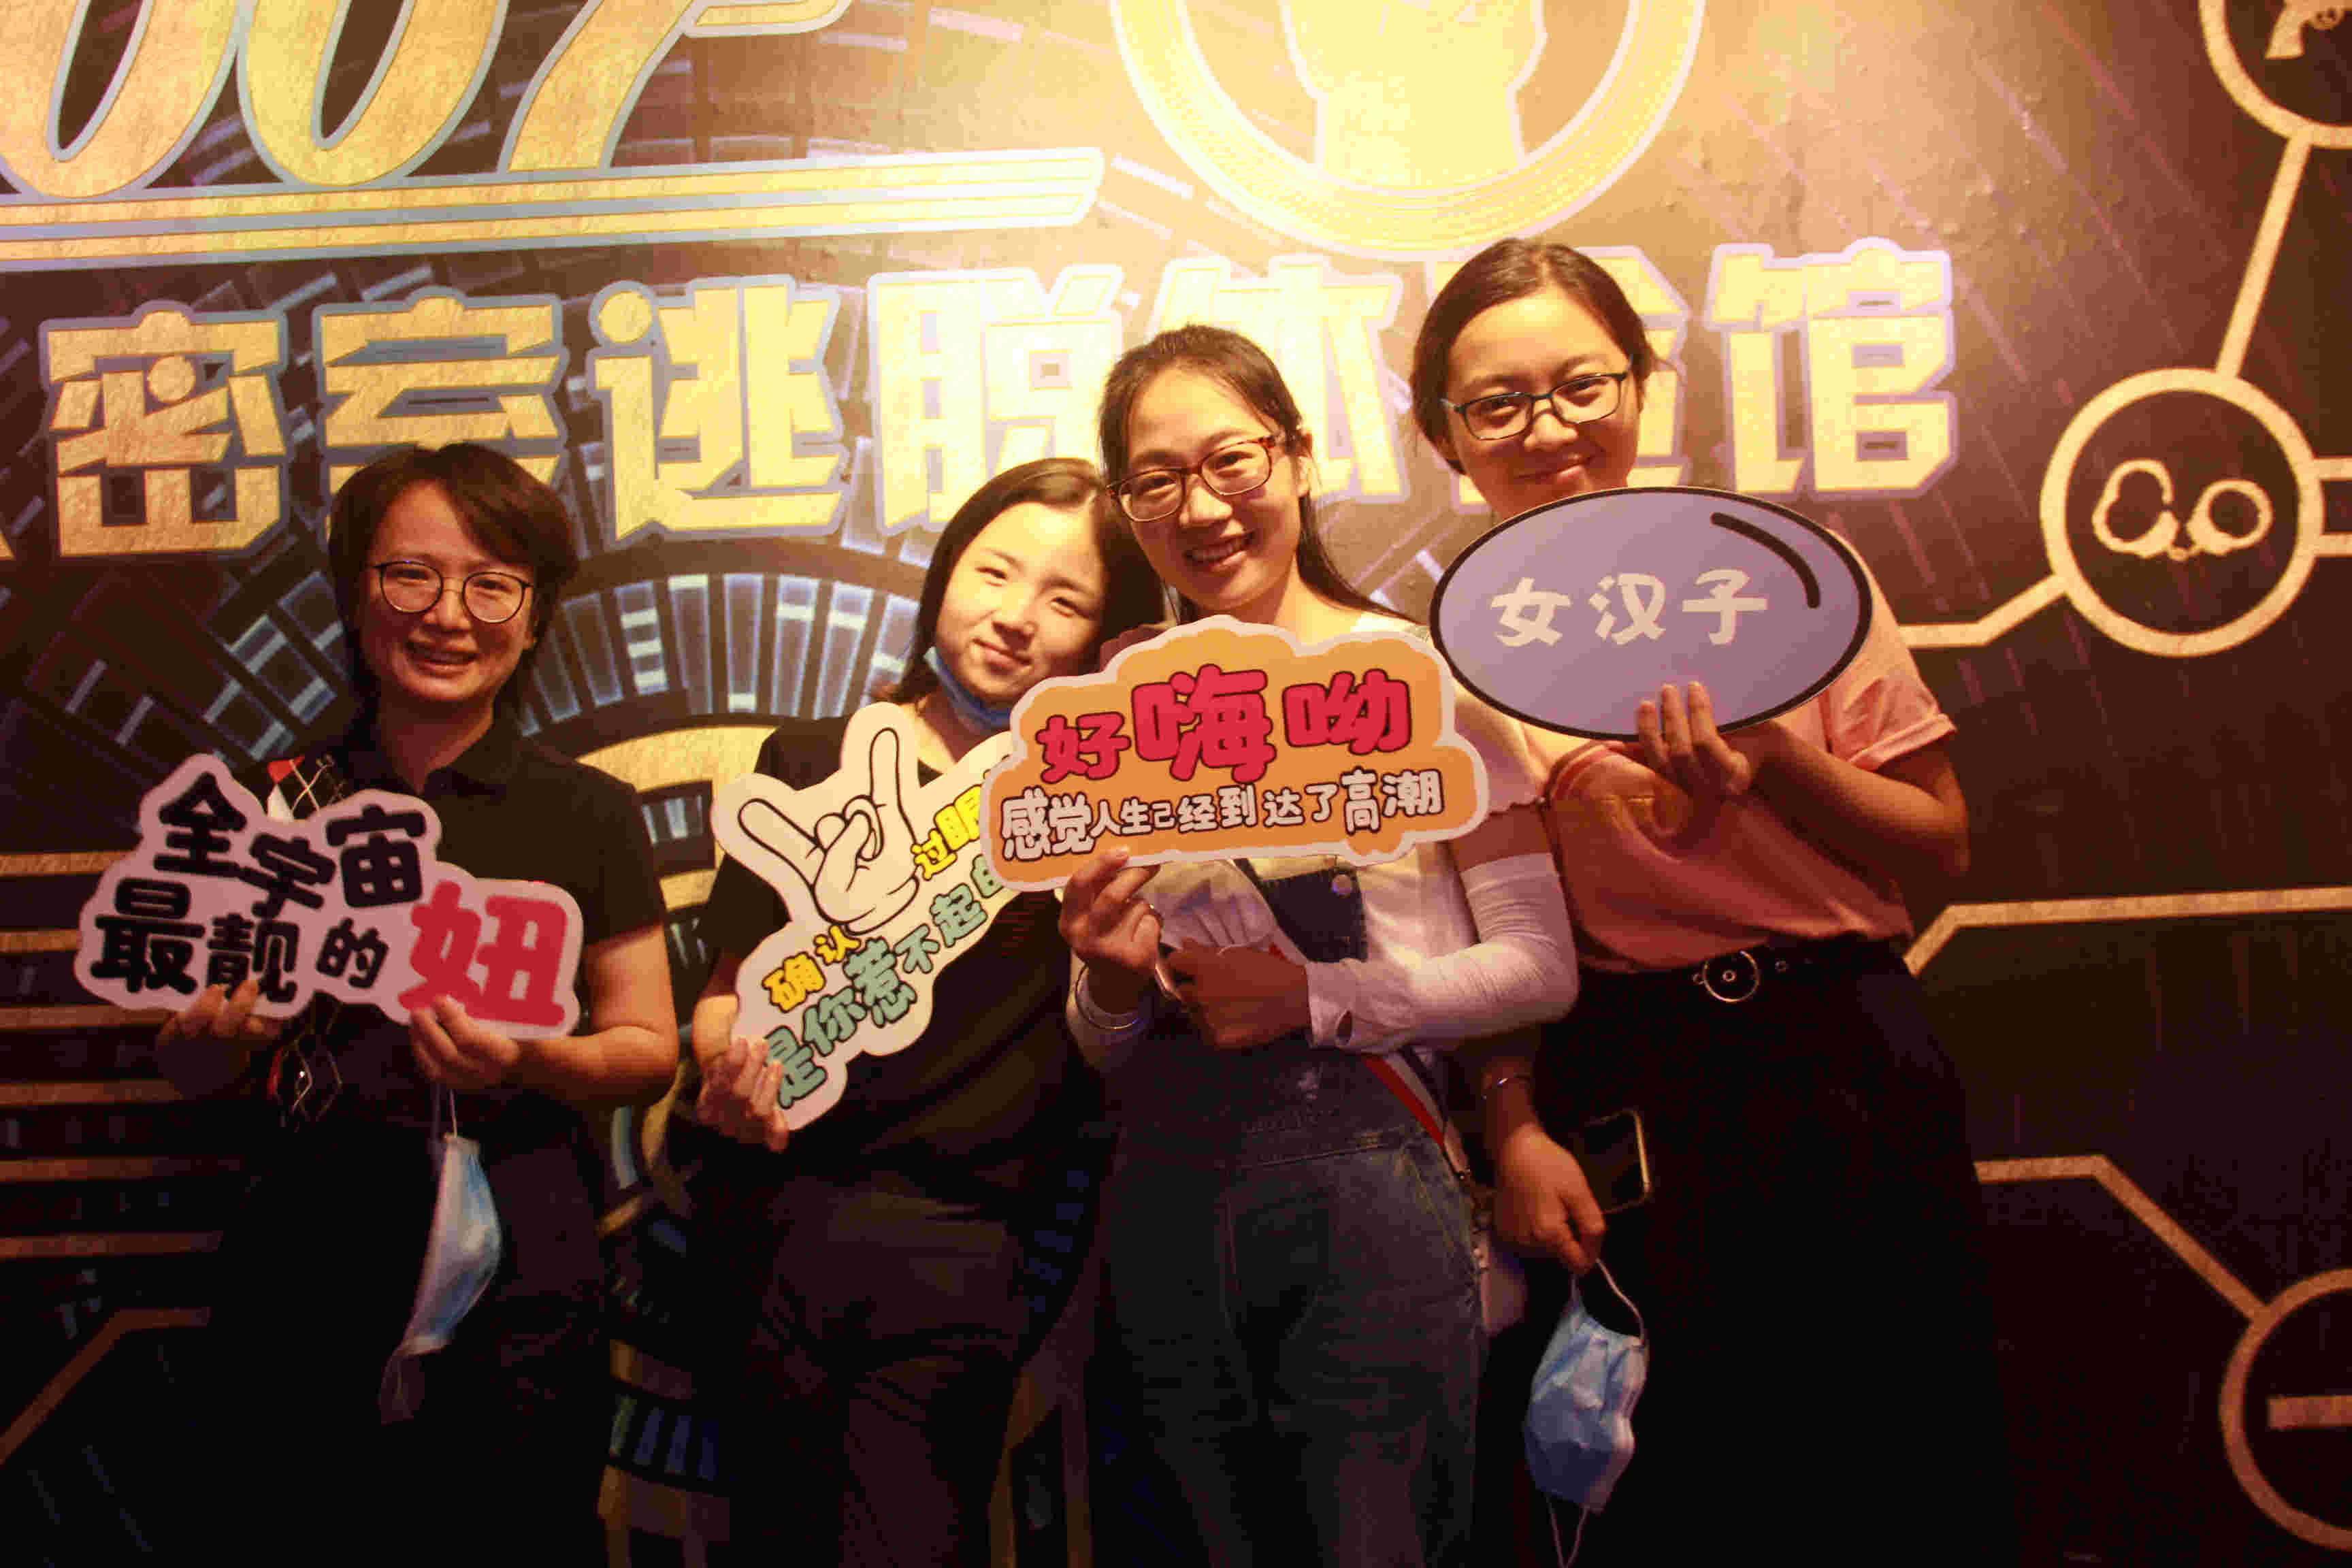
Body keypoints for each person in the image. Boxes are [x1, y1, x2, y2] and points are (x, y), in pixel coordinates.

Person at [1409, 238, 2010, 1563]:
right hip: (1636, 1087)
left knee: (1903, 1468)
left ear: (1642, 385)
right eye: (1498, 405)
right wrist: (1512, 1124)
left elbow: (1944, 844)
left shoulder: (1788, 581)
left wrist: (1782, 761)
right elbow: (1490, 938)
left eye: (1582, 385)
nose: (1548, 430)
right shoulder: (1448, 667)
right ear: (1445, 437)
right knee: (1685, 1494)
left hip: (1847, 1057)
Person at [1060, 324, 1580, 1568]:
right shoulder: (1112, 706)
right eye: (1156, 480)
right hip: (1167, 1202)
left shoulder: (1421, 680)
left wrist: (1316, 999)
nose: (1201, 508)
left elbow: (1538, 964)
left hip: (1373, 1188)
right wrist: (1109, 980)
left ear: (1297, 457)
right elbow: (1105, 1045)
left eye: (1231, 461)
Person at [153, 443, 676, 1562]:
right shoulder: (273, 802)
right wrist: (212, 1045)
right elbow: (189, 1058)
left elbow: (647, 1045)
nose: (448, 615)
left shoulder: (586, 812)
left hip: (527, 1268)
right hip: (308, 1266)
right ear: (358, 594)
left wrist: (531, 1060)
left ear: (533, 617)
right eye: (412, 576)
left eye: (492, 585)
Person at [682, 457, 1162, 1566]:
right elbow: (724, 995)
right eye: (993, 572)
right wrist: (725, 1073)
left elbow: (1115, 1048)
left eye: (1065, 599)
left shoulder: (1097, 801)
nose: (1015, 616)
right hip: (769, 1210)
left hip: (961, 1237)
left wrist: (1117, 972)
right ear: (945, 575)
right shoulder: (810, 760)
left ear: (1103, 639)